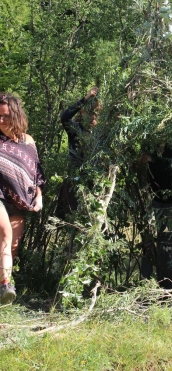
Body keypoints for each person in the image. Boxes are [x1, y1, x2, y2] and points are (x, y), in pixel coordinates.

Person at [0, 93, 45, 304]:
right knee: (5, 235)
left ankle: (3, 290)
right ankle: (6, 285)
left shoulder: (28, 141)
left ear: (16, 115)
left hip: (18, 200)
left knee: (13, 247)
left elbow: (36, 174)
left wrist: (39, 197)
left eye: (6, 116)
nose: (1, 121)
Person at [56, 86, 99, 218]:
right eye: (89, 112)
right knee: (72, 218)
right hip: (75, 181)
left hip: (94, 184)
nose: (92, 117)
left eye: (95, 113)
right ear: (81, 114)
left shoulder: (99, 135)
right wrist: (85, 98)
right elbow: (65, 117)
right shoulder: (76, 129)